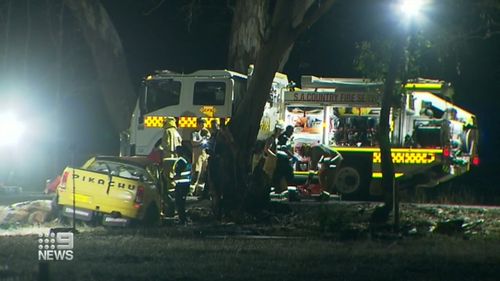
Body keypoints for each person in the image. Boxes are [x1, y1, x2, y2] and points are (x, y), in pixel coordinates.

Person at [159, 117, 182, 192]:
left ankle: (170, 190)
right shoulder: (176, 132)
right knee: (173, 173)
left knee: (167, 174)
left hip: (168, 156)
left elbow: (166, 144)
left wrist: (159, 148)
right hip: (175, 157)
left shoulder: (167, 131)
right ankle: (174, 188)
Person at [191, 118, 210, 196]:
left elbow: (209, 138)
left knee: (203, 173)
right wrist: (202, 140)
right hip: (197, 155)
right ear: (198, 124)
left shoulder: (205, 132)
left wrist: (207, 135)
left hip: (204, 155)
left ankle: (199, 191)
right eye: (202, 124)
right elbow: (194, 142)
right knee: (196, 172)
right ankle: (192, 190)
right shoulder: (194, 133)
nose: (203, 125)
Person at [171, 146, 191, 225]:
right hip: (185, 185)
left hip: (181, 185)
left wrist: (171, 179)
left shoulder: (181, 161)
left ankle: (182, 220)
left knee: (180, 203)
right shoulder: (185, 160)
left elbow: (178, 174)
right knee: (181, 203)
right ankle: (183, 219)